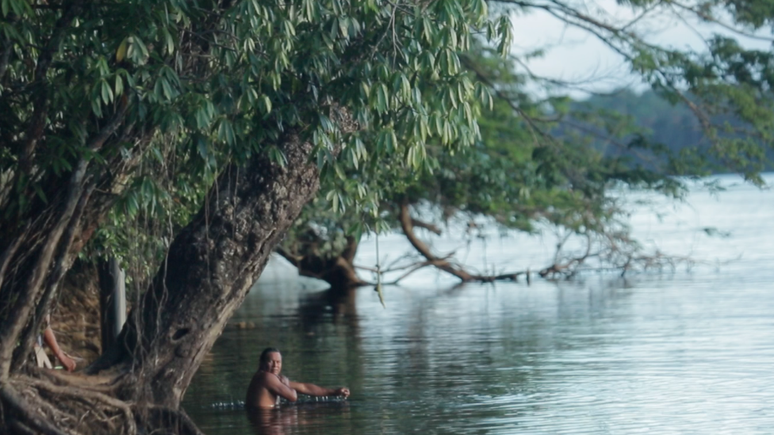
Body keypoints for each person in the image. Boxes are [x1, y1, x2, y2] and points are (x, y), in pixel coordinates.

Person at [245, 347, 350, 408]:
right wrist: (286, 384)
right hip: (264, 419)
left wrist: (335, 392)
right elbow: (292, 397)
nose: (275, 365)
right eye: (271, 361)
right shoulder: (266, 377)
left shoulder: (272, 379)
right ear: (261, 362)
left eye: (278, 362)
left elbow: (304, 387)